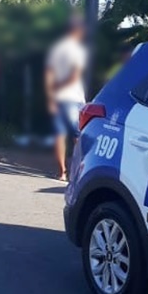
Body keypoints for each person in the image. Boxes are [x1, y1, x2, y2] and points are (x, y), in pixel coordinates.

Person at [45, 15, 87, 181]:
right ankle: (77, 173)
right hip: (73, 97)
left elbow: (48, 74)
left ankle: (61, 172)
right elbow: (74, 76)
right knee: (78, 137)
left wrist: (51, 94)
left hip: (58, 98)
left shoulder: (57, 49)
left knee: (59, 135)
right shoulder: (76, 50)